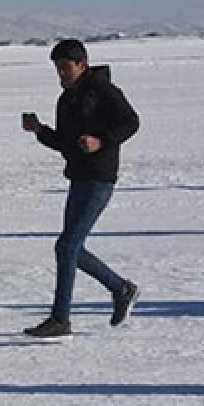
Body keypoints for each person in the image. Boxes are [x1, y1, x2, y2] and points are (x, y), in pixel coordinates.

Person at [21, 39, 140, 338]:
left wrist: (101, 141)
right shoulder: (66, 100)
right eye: (57, 68)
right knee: (71, 247)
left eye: (65, 67)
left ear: (82, 64)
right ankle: (121, 289)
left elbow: (131, 122)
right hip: (78, 177)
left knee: (67, 247)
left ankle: (61, 319)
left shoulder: (103, 90)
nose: (61, 73)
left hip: (100, 178)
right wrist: (40, 131)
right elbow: (65, 143)